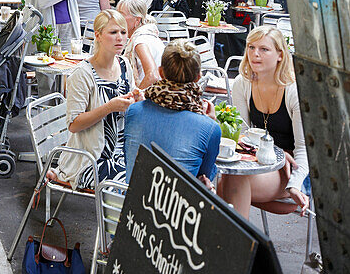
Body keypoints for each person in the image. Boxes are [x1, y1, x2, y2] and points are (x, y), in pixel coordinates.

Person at [218, 26, 309, 219]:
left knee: (231, 182)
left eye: (264, 49)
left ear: (280, 55)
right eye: (251, 47)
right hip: (259, 160)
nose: (255, 54)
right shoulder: (243, 84)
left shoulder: (294, 91)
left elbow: (304, 150)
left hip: (292, 169)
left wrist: (294, 184)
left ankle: (236, 246)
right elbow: (242, 137)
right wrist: (275, 152)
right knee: (224, 182)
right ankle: (235, 244)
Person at [53, 9, 140, 189]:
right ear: (98, 36)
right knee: (133, 189)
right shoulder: (82, 73)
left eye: (123, 32)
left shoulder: (124, 64)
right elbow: (74, 124)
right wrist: (109, 107)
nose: (120, 38)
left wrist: (138, 99)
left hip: (122, 152)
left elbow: (128, 107)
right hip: (90, 160)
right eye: (113, 32)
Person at [124, 40, 222, 185]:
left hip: (130, 201)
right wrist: (208, 121)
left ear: (161, 72)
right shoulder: (210, 128)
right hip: (176, 205)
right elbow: (204, 176)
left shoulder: (134, 110)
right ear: (198, 77)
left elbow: (129, 161)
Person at [116, 0, 164, 89]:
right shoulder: (146, 35)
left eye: (121, 15)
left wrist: (136, 99)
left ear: (137, 20)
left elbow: (153, 76)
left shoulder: (140, 41)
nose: (117, 19)